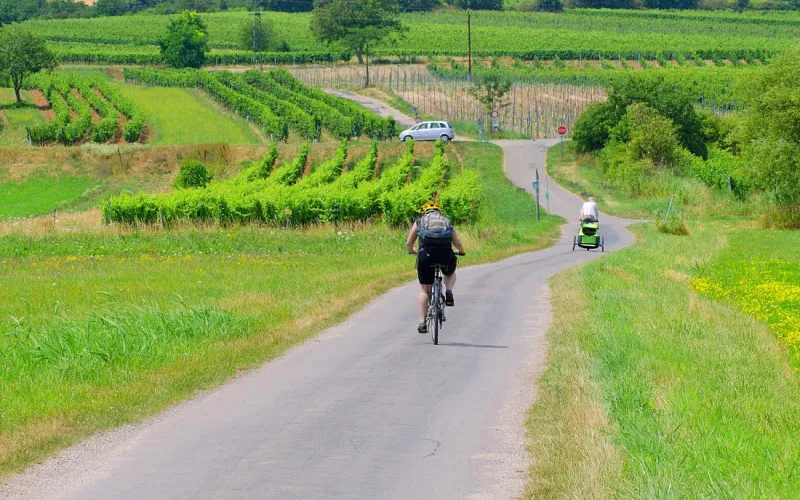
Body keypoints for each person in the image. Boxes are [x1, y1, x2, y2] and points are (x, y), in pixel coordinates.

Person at [406, 200, 465, 334]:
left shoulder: (420, 222)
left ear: (424, 211)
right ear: (439, 211)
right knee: (450, 273)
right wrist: (461, 251)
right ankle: (448, 291)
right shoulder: (446, 221)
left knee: (424, 290)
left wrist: (411, 250)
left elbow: (409, 242)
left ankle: (422, 322)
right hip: (445, 255)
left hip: (425, 256)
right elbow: (457, 242)